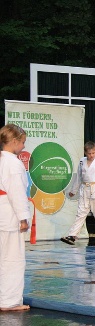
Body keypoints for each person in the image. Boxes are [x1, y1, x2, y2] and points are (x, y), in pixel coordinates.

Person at [0, 124, 31, 311]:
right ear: (13, 141)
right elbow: (17, 193)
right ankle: (9, 301)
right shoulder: (12, 163)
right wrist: (23, 218)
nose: (24, 147)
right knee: (12, 260)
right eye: (22, 142)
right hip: (9, 216)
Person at [61, 141, 95, 246]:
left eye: (93, 153)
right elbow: (79, 177)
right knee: (81, 213)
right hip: (84, 189)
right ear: (85, 153)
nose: (91, 155)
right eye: (89, 153)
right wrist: (74, 190)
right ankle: (72, 236)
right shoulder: (82, 161)